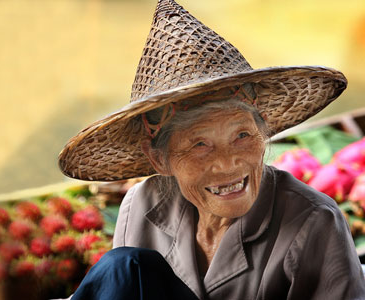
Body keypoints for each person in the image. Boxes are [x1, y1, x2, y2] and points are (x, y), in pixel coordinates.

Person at [58, 0, 365, 299]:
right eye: (200, 144)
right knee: (125, 269)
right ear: (158, 158)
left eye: (242, 135)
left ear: (263, 131)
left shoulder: (314, 221)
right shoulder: (140, 208)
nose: (227, 162)